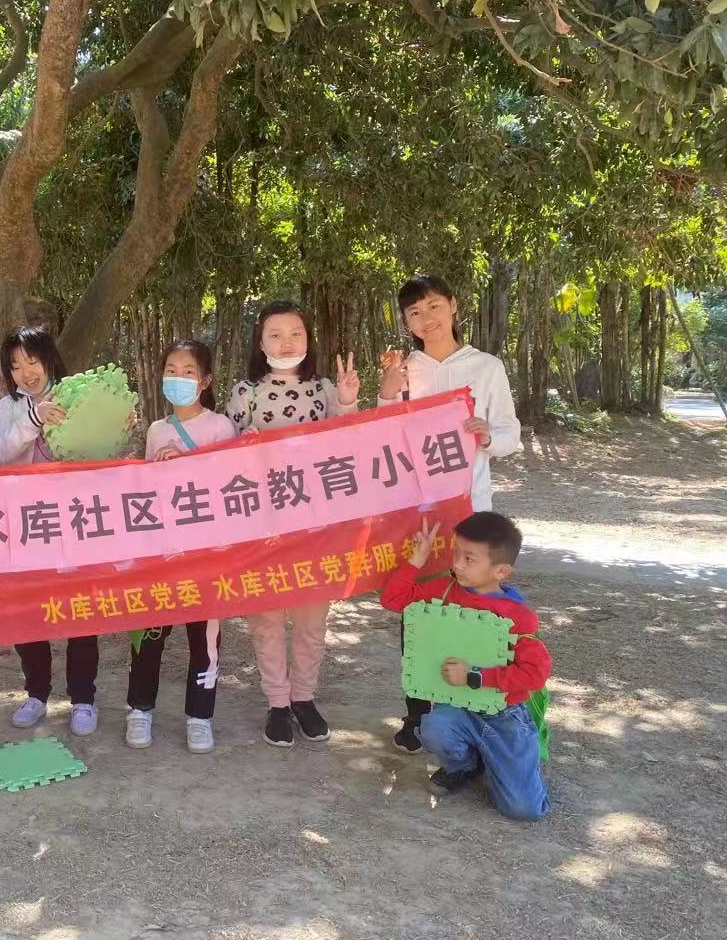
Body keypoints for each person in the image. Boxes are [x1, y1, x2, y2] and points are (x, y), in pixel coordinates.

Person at [378, 274, 521, 753]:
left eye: (434, 306)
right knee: (419, 609)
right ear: (406, 322)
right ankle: (418, 712)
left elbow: (510, 434)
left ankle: (467, 711)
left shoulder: (485, 367)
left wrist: (487, 434)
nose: (427, 319)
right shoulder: (405, 369)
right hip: (415, 513)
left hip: (469, 510)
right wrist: (386, 390)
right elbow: (382, 434)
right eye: (415, 313)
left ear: (454, 306)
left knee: (472, 607)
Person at [225, 301, 360, 748]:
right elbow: (223, 458)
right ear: (260, 343)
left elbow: (349, 442)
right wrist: (240, 447)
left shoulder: (325, 388)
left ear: (308, 339)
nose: (286, 342)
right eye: (276, 334)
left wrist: (347, 400)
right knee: (265, 616)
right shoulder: (245, 392)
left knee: (311, 617)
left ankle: (304, 698)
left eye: (296, 333)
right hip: (262, 524)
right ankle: (277, 703)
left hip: (314, 523)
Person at [379, 513, 551, 821]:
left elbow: (535, 674)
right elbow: (394, 599)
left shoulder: (519, 616)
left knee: (523, 809)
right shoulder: (445, 591)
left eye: (469, 558)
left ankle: (506, 762)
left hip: (504, 717)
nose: (457, 564)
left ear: (501, 571)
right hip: (456, 707)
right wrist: (417, 559)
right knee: (433, 727)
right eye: (455, 552)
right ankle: (464, 766)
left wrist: (475, 676)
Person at [126, 340, 236, 754]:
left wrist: (186, 460)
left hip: (206, 554)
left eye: (188, 371)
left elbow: (230, 485)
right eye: (171, 370)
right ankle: (139, 709)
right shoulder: (157, 430)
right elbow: (147, 490)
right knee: (148, 634)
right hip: (163, 553)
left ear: (205, 381)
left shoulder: (221, 426)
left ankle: (200, 716)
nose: (178, 377)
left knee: (204, 640)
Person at [0, 326, 104, 736]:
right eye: (15, 366)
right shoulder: (8, 407)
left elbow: (102, 451)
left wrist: (118, 424)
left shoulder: (79, 394)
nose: (26, 372)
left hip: (76, 522)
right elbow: (3, 453)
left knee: (81, 610)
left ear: (49, 358)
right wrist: (34, 418)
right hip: (28, 525)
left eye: (32, 360)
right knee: (30, 612)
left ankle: (83, 699)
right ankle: (36, 694)